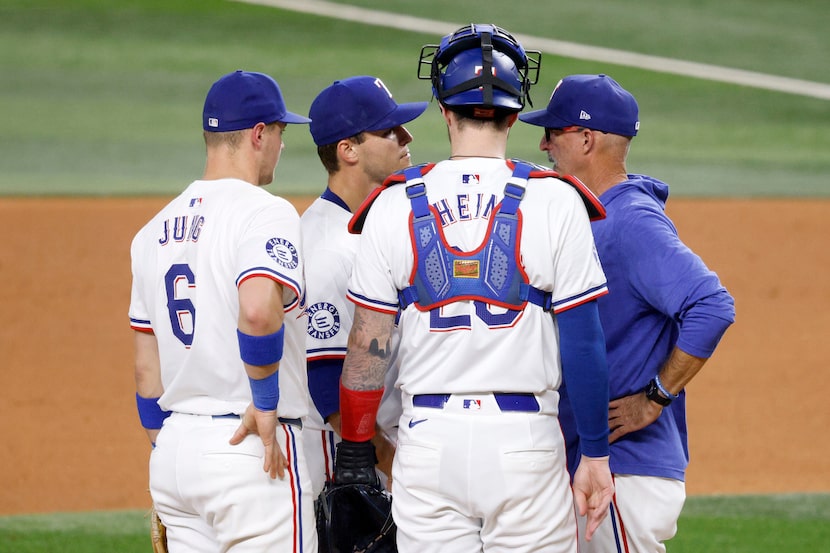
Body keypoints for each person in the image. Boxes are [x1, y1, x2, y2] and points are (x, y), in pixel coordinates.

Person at [334, 24, 615, 552]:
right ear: (514, 114)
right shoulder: (554, 200)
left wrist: (354, 448)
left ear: (444, 110)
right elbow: (584, 343)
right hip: (524, 445)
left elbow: (366, 345)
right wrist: (595, 456)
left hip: (428, 443)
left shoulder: (394, 204)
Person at [519, 73, 736, 552]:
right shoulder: (596, 216)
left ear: (586, 139)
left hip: (624, 470)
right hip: (599, 467)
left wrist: (654, 397)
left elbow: (712, 304)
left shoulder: (629, 221)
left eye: (553, 133)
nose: (544, 143)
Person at [129, 69, 317, 552]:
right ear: (259, 134)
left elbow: (145, 369)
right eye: (280, 131)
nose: (281, 144)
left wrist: (174, 453)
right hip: (249, 450)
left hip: (175, 456)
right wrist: (267, 401)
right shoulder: (264, 211)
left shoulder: (152, 231)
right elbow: (257, 312)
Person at [301, 75, 427, 497]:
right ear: (348, 150)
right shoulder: (330, 249)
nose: (406, 136)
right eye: (389, 130)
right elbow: (328, 389)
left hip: (378, 454)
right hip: (352, 465)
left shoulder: (361, 232)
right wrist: (395, 466)